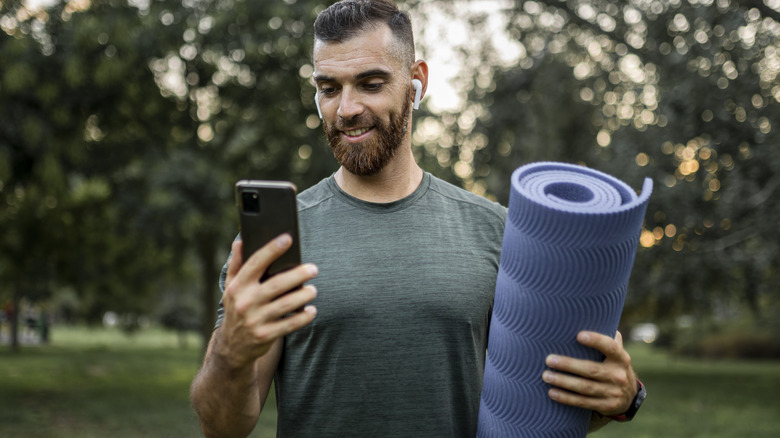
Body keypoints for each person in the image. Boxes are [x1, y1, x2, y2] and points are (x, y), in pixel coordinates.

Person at [190, 1, 642, 436]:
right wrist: (229, 353)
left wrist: (621, 398)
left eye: (370, 83)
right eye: (329, 88)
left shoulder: (497, 231)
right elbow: (223, 427)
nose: (345, 108)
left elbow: (544, 406)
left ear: (416, 81)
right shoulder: (280, 242)